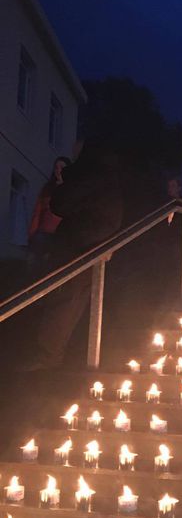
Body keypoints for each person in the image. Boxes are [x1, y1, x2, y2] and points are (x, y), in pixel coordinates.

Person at [24, 140, 123, 369]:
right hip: (94, 244)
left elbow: (60, 203)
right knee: (72, 300)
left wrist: (64, 183)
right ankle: (51, 354)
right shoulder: (110, 178)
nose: (73, 151)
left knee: (64, 298)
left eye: (76, 148)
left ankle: (48, 356)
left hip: (78, 245)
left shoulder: (89, 173)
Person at [27, 155, 71, 273]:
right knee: (35, 267)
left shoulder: (72, 189)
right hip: (43, 233)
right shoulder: (48, 188)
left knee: (53, 268)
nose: (58, 170)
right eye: (56, 167)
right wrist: (32, 233)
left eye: (62, 167)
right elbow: (38, 211)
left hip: (60, 236)